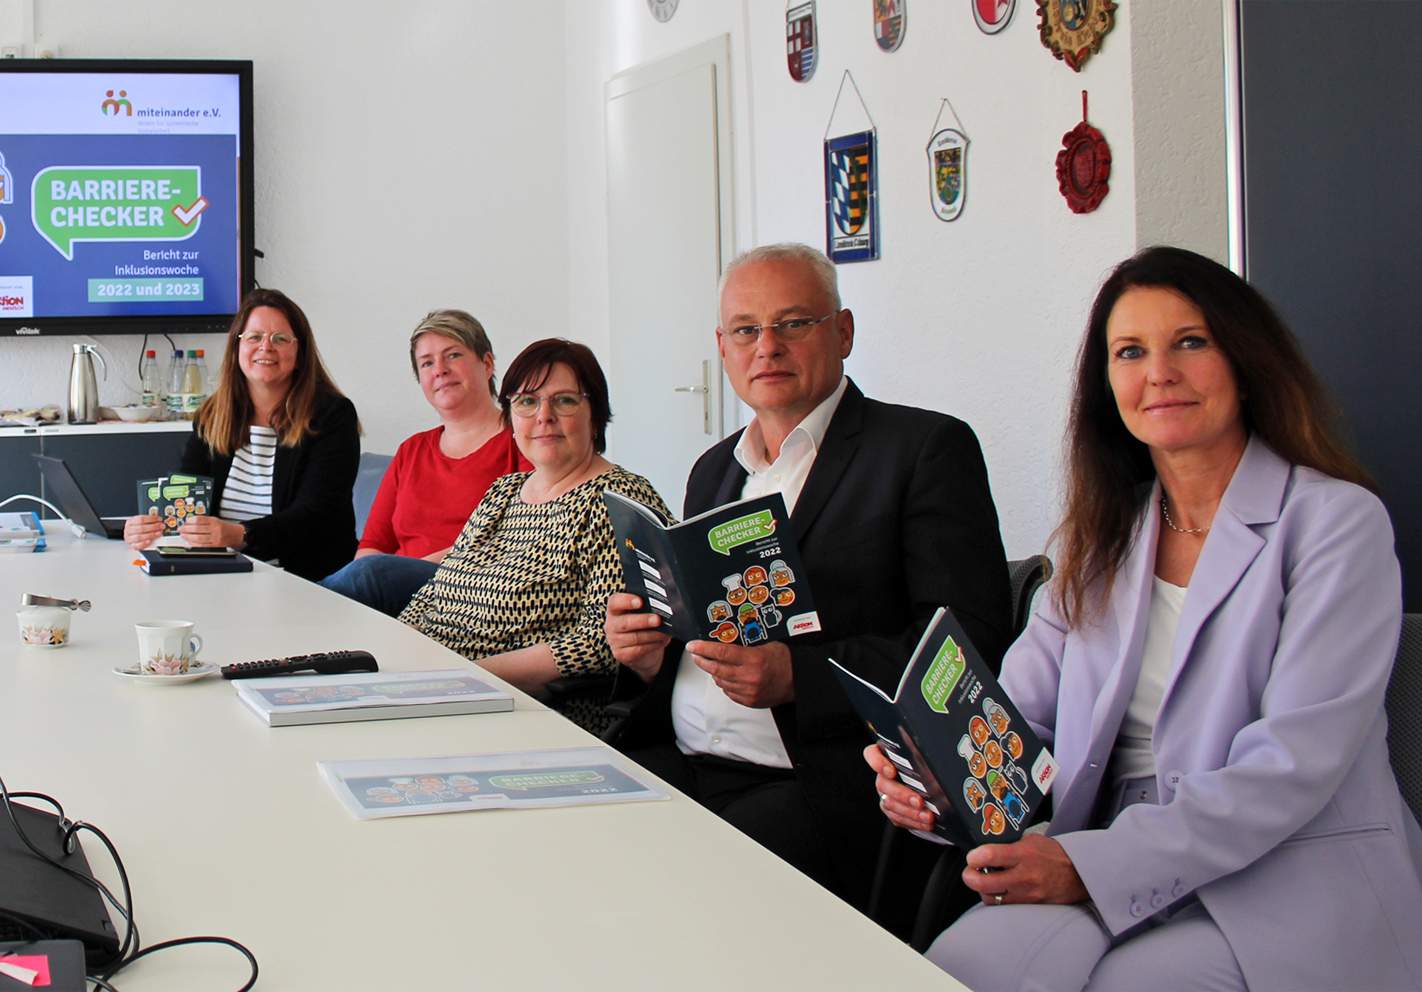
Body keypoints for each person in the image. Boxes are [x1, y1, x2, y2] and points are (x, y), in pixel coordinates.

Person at [870, 246, 1422, 990]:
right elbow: (1017, 724)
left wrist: (1090, 866)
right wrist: (941, 782)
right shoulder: (1101, 539)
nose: (1158, 372)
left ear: (1243, 359)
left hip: (1286, 868)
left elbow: (1292, 763)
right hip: (1099, 845)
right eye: (1130, 351)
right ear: (1107, 383)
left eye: (1189, 342)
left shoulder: (1334, 523)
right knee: (966, 966)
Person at [602, 242, 1013, 914]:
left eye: (793, 323)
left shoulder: (922, 450)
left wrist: (800, 677)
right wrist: (647, 656)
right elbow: (706, 626)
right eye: (746, 330)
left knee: (672, 900)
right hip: (679, 758)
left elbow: (969, 643)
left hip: (818, 782)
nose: (767, 347)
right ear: (723, 347)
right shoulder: (714, 470)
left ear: (843, 332)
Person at [398, 339, 669, 734]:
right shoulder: (503, 492)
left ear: (596, 415)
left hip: (525, 714)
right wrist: (396, 666)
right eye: (526, 401)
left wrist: (463, 678)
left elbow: (601, 644)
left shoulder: (620, 500)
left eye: (564, 401)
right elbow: (434, 594)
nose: (544, 416)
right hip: (439, 694)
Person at [124, 289, 361, 581]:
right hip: (221, 578)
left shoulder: (331, 416)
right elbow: (183, 495)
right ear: (237, 348)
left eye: (280, 339)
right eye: (254, 337)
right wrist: (149, 527)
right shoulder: (212, 415)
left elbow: (315, 516)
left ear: (300, 355)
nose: (266, 347)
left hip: (305, 582)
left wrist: (242, 535)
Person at [319, 310, 530, 616]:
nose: (440, 370)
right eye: (427, 363)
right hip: (391, 595)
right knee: (365, 573)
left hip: (472, 590)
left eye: (453, 355)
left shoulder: (523, 441)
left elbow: (516, 539)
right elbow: (373, 544)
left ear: (487, 364)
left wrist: (405, 572)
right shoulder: (412, 450)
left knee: (367, 575)